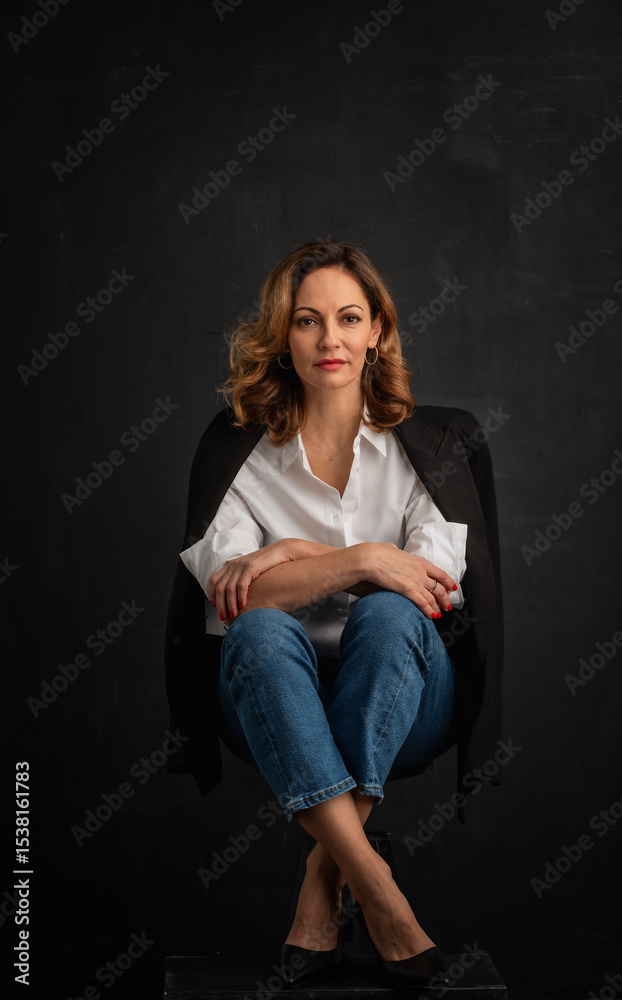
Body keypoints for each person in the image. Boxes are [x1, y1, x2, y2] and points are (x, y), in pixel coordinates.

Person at [165, 238, 504, 990]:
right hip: (268, 695)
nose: (330, 340)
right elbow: (235, 598)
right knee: (260, 628)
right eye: (306, 320)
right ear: (282, 336)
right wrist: (361, 559)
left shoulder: (431, 447)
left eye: (349, 318)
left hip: (409, 695)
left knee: (388, 619)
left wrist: (291, 559)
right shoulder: (235, 451)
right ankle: (381, 891)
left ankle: (324, 881)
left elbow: (428, 591)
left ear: (376, 329)